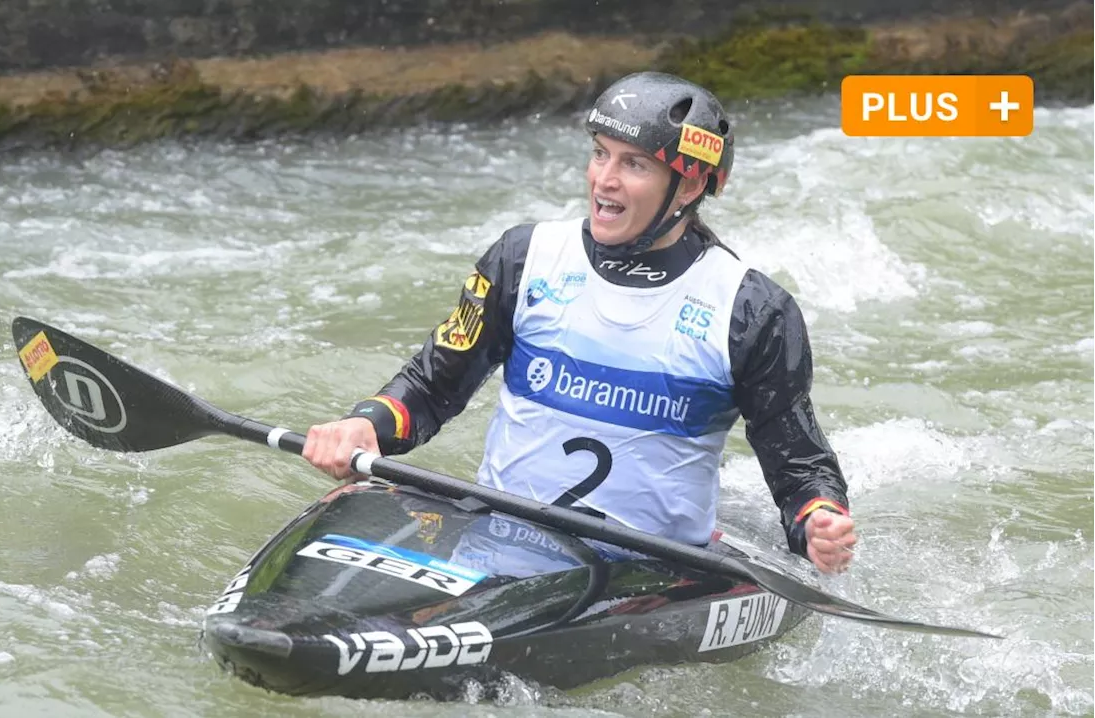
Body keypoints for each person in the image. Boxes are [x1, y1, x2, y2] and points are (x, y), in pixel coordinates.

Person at [301, 71, 857, 574]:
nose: (604, 180)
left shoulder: (751, 311)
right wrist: (366, 424)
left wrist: (817, 520)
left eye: (633, 164)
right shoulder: (522, 258)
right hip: (498, 543)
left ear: (688, 187)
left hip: (645, 571)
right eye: (599, 154)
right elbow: (431, 385)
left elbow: (798, 463)